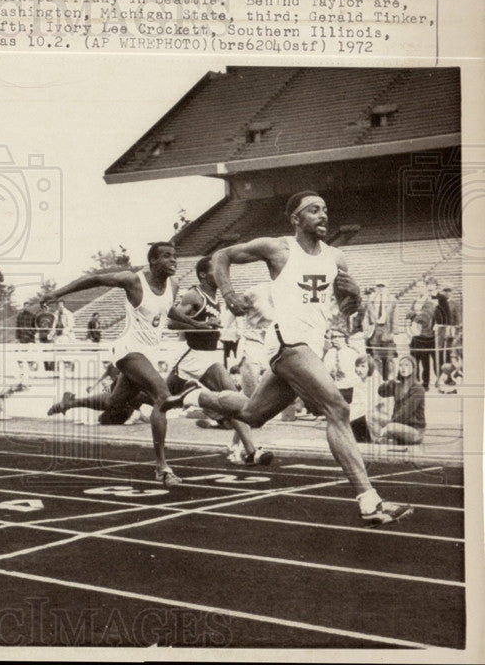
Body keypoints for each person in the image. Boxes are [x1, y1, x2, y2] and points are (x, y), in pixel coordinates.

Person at [162, 191, 413, 525]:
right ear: (295, 219)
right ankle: (369, 500)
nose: (323, 215)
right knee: (337, 408)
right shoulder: (278, 248)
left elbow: (342, 305)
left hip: (312, 345)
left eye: (325, 209)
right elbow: (221, 255)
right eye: (313, 210)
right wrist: (230, 293)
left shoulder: (337, 258)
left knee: (253, 414)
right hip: (286, 341)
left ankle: (192, 395)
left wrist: (354, 302)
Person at [41, 242, 184, 486]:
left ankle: (71, 402)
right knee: (163, 396)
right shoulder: (133, 280)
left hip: (148, 354)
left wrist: (196, 324)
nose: (174, 261)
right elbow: (95, 278)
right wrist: (58, 294)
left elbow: (169, 311)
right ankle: (162, 467)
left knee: (113, 402)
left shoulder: (174, 285)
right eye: (167, 256)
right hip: (127, 350)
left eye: (175, 256)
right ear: (153, 261)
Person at [169, 256, 272, 466]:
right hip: (189, 356)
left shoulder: (216, 297)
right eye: (218, 271)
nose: (223, 275)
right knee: (158, 398)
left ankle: (250, 451)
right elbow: (171, 322)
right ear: (203, 275)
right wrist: (200, 325)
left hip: (208, 357)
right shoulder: (193, 295)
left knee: (233, 399)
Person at [47, 362, 153, 426]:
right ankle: (67, 403)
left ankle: (67, 403)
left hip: (116, 403)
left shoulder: (125, 376)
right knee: (105, 409)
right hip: (116, 402)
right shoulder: (131, 383)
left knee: (101, 416)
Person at [376, 355, 426, 446]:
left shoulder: (418, 389)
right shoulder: (397, 384)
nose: (403, 368)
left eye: (407, 365)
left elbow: (406, 411)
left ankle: (384, 438)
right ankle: (382, 439)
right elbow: (381, 392)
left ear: (413, 368)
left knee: (391, 427)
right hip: (399, 424)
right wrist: (391, 381)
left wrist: (388, 426)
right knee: (373, 416)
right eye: (401, 365)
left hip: (414, 430)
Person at [405, 280, 436, 389]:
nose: (420, 289)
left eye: (422, 286)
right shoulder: (415, 301)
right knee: (414, 360)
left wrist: (415, 315)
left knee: (425, 361)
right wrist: (415, 314)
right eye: (418, 287)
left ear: (426, 288)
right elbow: (407, 314)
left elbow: (425, 317)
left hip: (425, 335)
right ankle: (415, 381)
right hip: (414, 335)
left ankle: (425, 383)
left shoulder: (429, 301)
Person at [363, 280, 397, 380]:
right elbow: (367, 316)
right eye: (379, 287)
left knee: (389, 357)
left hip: (387, 330)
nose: (381, 289)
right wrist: (366, 330)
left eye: (383, 287)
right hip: (375, 330)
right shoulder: (371, 300)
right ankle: (382, 378)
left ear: (387, 288)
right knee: (376, 357)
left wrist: (394, 332)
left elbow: (395, 316)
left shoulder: (392, 300)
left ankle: (389, 378)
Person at [323, 327, 360, 405]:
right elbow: (325, 370)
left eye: (338, 337)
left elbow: (356, 375)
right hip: (333, 389)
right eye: (333, 337)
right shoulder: (330, 352)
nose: (334, 340)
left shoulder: (352, 353)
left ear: (345, 338)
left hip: (348, 389)